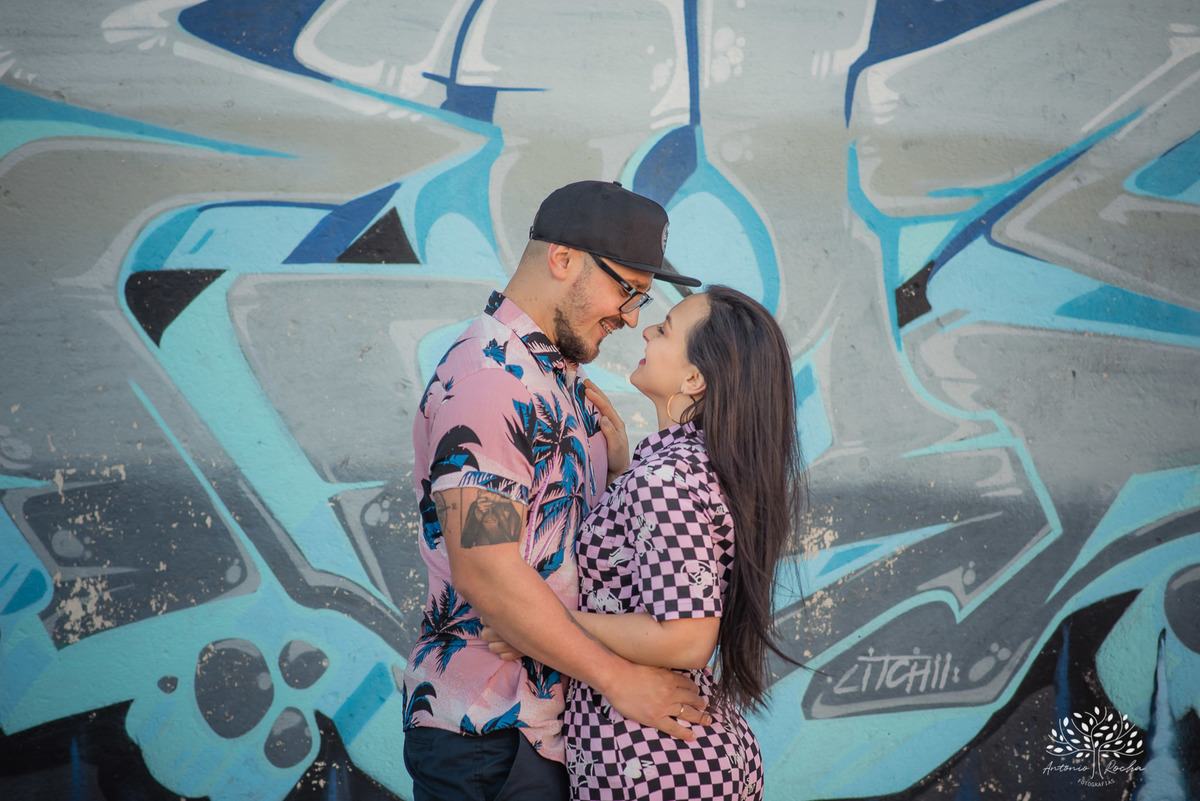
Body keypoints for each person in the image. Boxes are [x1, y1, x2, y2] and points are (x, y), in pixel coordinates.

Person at [401, 180, 710, 801]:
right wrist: (622, 680)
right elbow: (486, 569)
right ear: (562, 259)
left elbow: (566, 548)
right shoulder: (492, 383)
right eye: (628, 291)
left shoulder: (555, 378)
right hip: (492, 735)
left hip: (543, 733)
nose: (631, 318)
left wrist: (619, 473)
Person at [489, 285, 806, 800]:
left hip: (654, 764)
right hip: (673, 752)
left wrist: (538, 624)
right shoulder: (688, 469)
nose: (645, 329)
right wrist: (618, 473)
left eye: (665, 328)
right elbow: (648, 575)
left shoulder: (667, 480)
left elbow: (686, 638)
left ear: (694, 378)